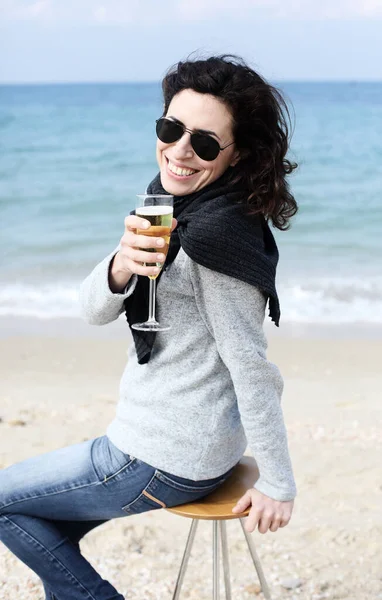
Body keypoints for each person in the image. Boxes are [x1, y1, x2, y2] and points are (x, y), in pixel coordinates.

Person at [0, 54, 298, 600]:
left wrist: (279, 482)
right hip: (174, 439)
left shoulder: (213, 239)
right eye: (170, 129)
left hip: (161, 455)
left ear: (237, 156)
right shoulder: (170, 204)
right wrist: (120, 264)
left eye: (205, 143)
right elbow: (92, 310)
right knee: (39, 526)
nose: (180, 151)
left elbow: (252, 369)